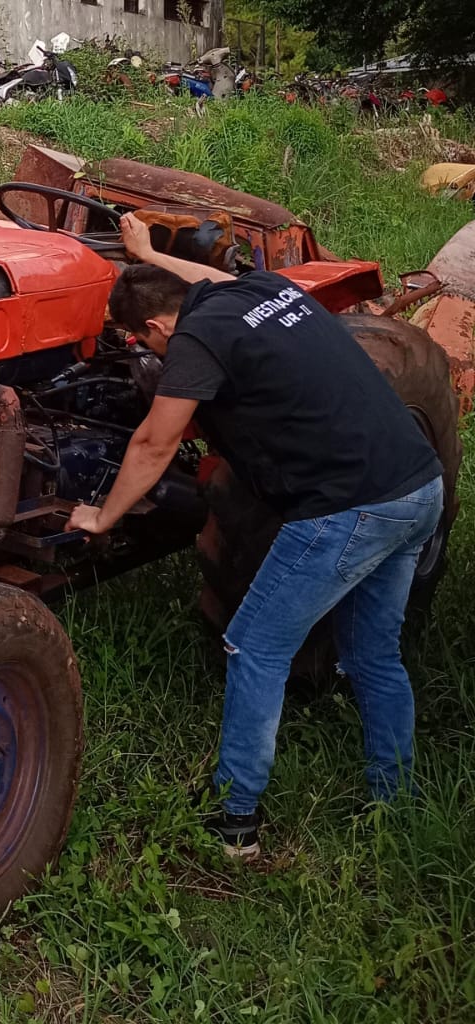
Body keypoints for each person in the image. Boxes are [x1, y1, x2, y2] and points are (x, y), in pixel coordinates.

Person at [66, 214, 443, 859]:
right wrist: (147, 254)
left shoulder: (193, 340)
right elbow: (203, 275)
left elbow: (156, 442)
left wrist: (101, 517)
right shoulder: (252, 291)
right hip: (418, 488)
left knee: (256, 647)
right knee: (374, 655)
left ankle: (235, 819)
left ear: (156, 328)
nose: (151, 351)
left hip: (349, 509)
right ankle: (394, 798)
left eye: (143, 342)